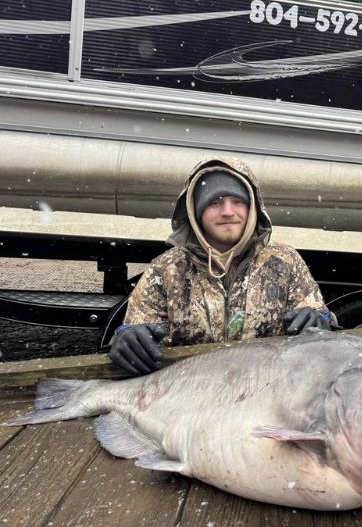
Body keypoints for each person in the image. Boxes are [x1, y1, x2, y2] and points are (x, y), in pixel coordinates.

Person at [109, 156, 335, 375]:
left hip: (266, 390)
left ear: (252, 207)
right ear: (196, 211)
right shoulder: (165, 269)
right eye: (215, 202)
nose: (228, 212)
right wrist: (129, 337)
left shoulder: (286, 262)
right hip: (191, 390)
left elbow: (317, 320)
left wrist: (320, 321)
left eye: (237, 202)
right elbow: (140, 328)